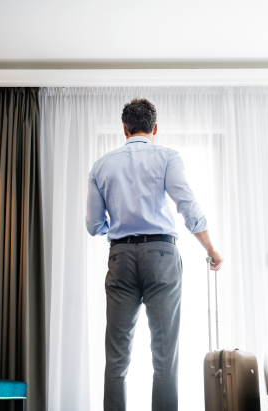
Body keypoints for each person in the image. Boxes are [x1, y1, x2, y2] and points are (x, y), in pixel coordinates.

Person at [85, 98, 223, 411]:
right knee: (165, 355)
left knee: (116, 357)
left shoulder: (101, 165)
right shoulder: (167, 157)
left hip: (120, 258)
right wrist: (211, 250)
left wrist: (119, 226)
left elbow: (94, 225)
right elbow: (188, 206)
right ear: (154, 128)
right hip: (161, 256)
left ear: (124, 129)